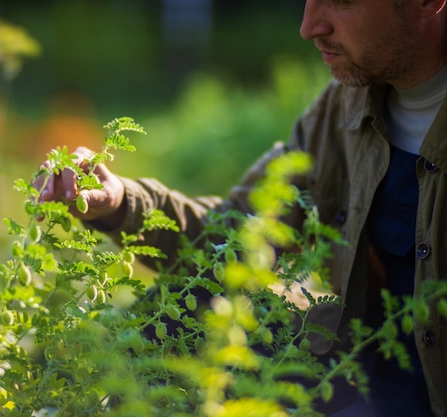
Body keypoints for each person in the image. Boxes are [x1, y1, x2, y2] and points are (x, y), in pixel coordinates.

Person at [35, 0, 447, 415]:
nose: (309, 27)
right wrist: (121, 201)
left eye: (339, 1)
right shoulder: (346, 105)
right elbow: (234, 235)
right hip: (361, 377)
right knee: (172, 318)